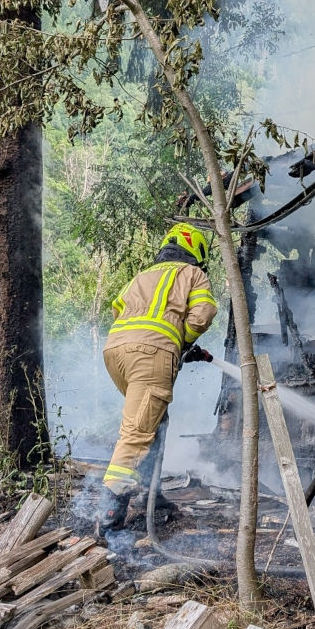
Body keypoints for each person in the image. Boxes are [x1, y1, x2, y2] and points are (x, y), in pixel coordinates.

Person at [96, 221, 218, 534]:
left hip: (116, 354)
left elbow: (119, 309)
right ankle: (109, 518)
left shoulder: (143, 275)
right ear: (196, 252)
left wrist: (169, 342)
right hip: (151, 357)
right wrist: (183, 342)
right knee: (137, 433)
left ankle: (153, 496)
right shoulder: (193, 274)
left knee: (155, 423)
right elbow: (202, 314)